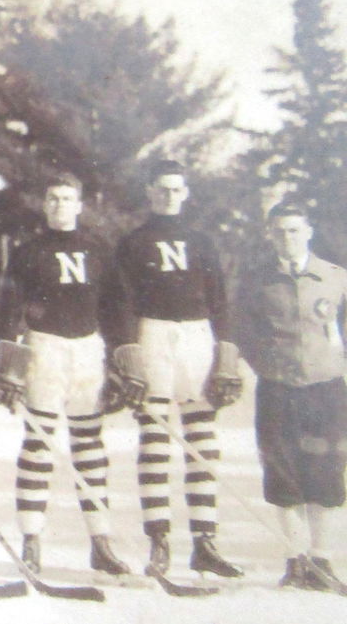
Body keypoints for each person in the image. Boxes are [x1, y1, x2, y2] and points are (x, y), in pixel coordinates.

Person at [103, 159, 243, 578]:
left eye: (177, 189)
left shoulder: (201, 241)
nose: (169, 195)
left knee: (202, 439)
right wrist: (128, 354)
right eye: (162, 188)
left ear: (187, 192)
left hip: (198, 337)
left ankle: (205, 540)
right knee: (157, 439)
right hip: (154, 336)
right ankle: (159, 540)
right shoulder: (133, 243)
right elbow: (121, 302)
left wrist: (227, 357)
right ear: (150, 191)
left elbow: (220, 300)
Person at [0, 174, 130, 576]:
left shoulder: (98, 251)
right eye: (52, 198)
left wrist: (124, 363)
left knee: (89, 446)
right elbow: (9, 310)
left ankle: (100, 541)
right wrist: (10, 370)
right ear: (44, 204)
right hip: (44, 349)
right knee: (39, 444)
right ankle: (32, 539)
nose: (59, 205)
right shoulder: (27, 253)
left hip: (87, 350)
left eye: (67, 198)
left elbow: (116, 307)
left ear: (79, 204)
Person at [235, 202, 346, 590]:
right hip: (278, 389)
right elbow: (243, 330)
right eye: (280, 231)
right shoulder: (257, 280)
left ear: (309, 232)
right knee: (283, 472)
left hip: (327, 388)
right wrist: (267, 362)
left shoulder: (336, 278)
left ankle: (322, 559)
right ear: (270, 234)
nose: (288, 238)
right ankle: (294, 560)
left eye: (295, 230)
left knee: (327, 473)